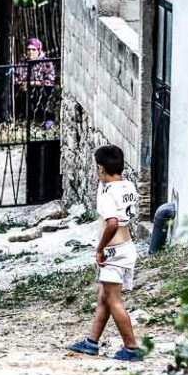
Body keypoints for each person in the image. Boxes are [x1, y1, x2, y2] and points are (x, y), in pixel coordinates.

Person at [67, 144, 143, 361]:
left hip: (114, 253)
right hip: (126, 247)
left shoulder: (107, 196)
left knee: (112, 300)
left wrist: (100, 249)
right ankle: (92, 342)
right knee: (103, 296)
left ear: (100, 169)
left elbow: (111, 224)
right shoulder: (127, 186)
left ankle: (131, 348)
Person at [13, 38, 57, 125]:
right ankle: (22, 119)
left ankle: (47, 119)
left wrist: (32, 83)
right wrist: (21, 84)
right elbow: (16, 77)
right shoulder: (22, 62)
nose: (30, 52)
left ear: (39, 50)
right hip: (24, 92)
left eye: (33, 49)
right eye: (28, 49)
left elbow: (50, 81)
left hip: (41, 91)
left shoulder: (46, 63)